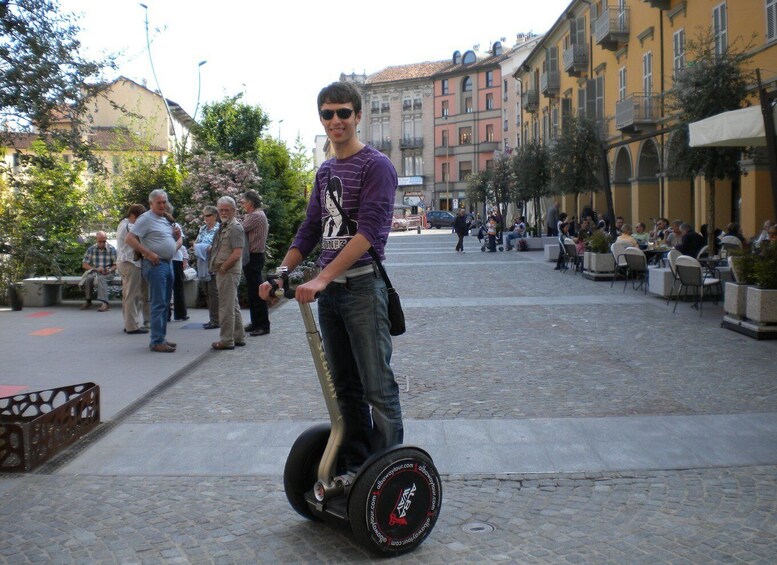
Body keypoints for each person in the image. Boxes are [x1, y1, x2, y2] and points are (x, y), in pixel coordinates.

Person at [259, 81, 402, 479]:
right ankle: (357, 468)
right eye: (327, 113)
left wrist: (321, 278)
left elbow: (369, 233)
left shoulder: (377, 166)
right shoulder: (325, 172)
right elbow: (310, 231)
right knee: (345, 389)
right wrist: (281, 273)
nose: (335, 120)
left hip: (361, 289)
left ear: (358, 116)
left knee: (378, 388)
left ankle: (387, 474)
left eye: (343, 113)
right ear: (321, 118)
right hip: (332, 298)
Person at [125, 189, 181, 353]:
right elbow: (130, 238)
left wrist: (174, 235)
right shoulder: (145, 218)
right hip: (156, 265)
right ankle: (156, 341)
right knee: (158, 304)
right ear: (151, 204)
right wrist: (148, 253)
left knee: (164, 303)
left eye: (164, 202)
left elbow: (161, 239)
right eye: (159, 203)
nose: (162, 205)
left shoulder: (163, 218)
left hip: (167, 263)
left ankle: (160, 338)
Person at [208, 196, 246, 350]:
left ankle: (226, 340)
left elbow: (237, 253)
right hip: (224, 271)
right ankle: (238, 337)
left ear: (234, 211)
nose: (223, 212)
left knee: (225, 307)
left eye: (226, 210)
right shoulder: (223, 226)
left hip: (228, 272)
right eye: (221, 209)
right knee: (232, 304)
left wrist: (223, 268)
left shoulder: (235, 227)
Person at [242, 190, 271, 336]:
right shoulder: (258, 215)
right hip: (254, 256)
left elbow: (239, 229)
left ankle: (263, 325)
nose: (242, 205)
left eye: (244, 202)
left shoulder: (255, 216)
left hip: (254, 256)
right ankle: (256, 322)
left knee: (256, 291)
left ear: (251, 203)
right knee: (253, 291)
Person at [116, 204, 149, 333]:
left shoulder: (122, 224)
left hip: (122, 262)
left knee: (126, 295)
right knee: (133, 295)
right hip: (131, 263)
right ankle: (132, 326)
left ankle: (127, 323)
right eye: (140, 218)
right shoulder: (130, 226)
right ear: (132, 216)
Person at [194, 205, 220, 330]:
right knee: (207, 291)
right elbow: (197, 241)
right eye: (204, 215)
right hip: (202, 262)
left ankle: (216, 319)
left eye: (208, 215)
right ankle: (212, 319)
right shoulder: (203, 228)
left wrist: (206, 247)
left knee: (213, 292)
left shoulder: (218, 228)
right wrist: (197, 246)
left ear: (215, 216)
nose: (205, 218)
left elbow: (217, 246)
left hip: (213, 262)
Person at [79, 231, 117, 312]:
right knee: (88, 278)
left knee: (101, 279)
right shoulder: (91, 249)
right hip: (95, 271)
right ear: (96, 240)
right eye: (100, 241)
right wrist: (96, 269)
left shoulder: (112, 249)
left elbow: (116, 264)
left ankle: (105, 303)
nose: (102, 243)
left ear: (106, 240)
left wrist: (109, 269)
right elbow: (84, 264)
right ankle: (88, 301)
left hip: (109, 272)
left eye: (104, 241)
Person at [169, 205, 188, 322]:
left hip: (174, 258)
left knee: (176, 286)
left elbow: (180, 241)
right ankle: (178, 313)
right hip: (171, 258)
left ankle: (179, 313)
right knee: (174, 287)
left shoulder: (175, 226)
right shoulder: (171, 226)